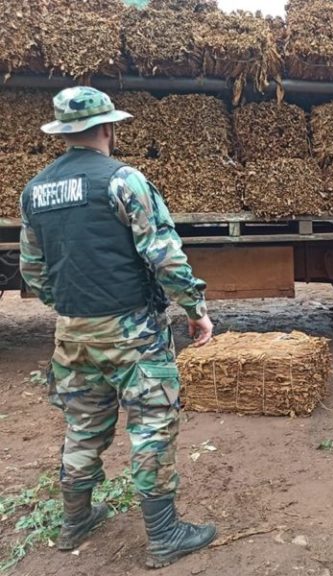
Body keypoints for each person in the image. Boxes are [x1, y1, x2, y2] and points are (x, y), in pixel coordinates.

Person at [19, 86, 217, 568]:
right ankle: (165, 534)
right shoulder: (123, 181)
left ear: (64, 132)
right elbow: (165, 257)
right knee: (152, 424)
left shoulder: (35, 191)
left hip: (72, 332)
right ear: (109, 127)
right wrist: (195, 309)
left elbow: (31, 270)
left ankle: (75, 521)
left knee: (83, 425)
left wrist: (71, 308)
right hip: (132, 332)